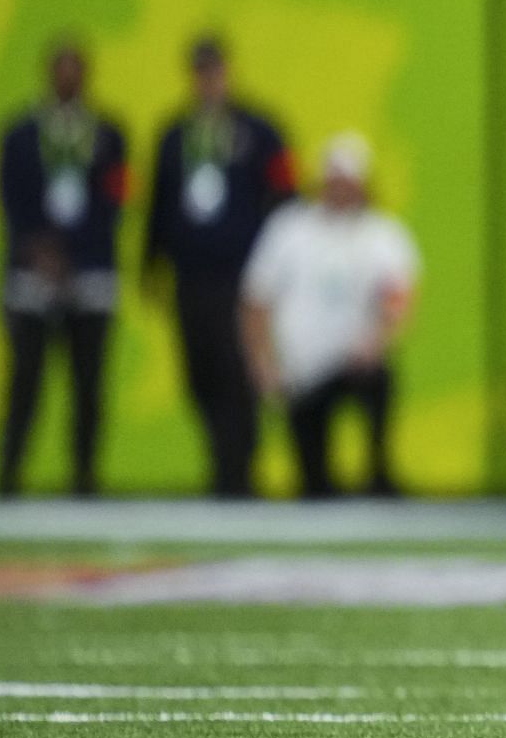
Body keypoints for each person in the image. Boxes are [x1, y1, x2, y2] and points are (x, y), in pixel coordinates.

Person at [143, 35, 296, 498]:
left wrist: (279, 263)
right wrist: (151, 261)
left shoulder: (259, 131)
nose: (208, 79)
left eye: (215, 70)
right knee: (200, 373)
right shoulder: (175, 134)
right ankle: (220, 463)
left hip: (243, 277)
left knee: (239, 373)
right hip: (192, 276)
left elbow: (285, 195)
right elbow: (160, 201)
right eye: (200, 71)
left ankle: (240, 470)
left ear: (228, 72)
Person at [240, 133, 418, 499]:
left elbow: (398, 296)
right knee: (313, 481)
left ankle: (378, 471)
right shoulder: (289, 229)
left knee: (379, 381)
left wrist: (376, 341)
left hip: (354, 362)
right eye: (334, 183)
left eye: (348, 184)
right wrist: (263, 363)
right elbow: (256, 301)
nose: (340, 192)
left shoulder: (382, 234)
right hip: (302, 372)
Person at [0, 39, 128, 497]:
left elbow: (115, 201)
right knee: (25, 378)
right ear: (49, 73)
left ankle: (85, 474)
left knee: (89, 381)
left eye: (76, 68)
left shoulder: (109, 134)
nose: (68, 77)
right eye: (61, 68)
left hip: (90, 275)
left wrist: (74, 253)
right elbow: (11, 198)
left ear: (86, 75)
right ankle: (10, 471)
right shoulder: (20, 133)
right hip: (32, 274)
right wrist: (41, 249)